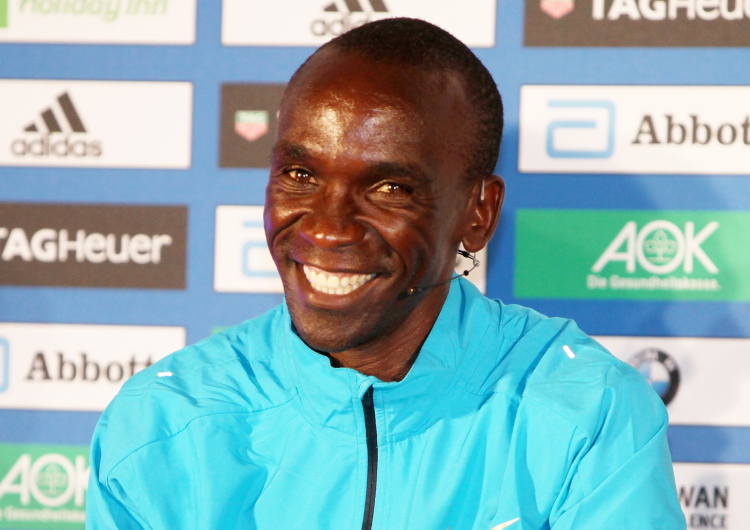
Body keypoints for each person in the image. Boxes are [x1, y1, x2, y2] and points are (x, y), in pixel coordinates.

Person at [86, 18, 685, 529]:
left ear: (477, 213)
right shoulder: (163, 425)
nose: (328, 230)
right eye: (300, 176)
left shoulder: (587, 412)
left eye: (389, 188)